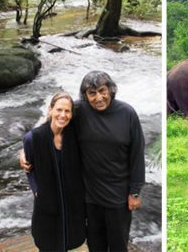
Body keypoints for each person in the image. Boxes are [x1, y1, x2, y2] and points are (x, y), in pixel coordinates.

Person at [21, 71, 145, 252]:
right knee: (95, 245)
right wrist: (26, 147)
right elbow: (53, 122)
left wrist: (135, 191)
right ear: (85, 96)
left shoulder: (127, 114)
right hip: (89, 197)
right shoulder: (79, 111)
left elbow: (137, 153)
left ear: (110, 89)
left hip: (118, 196)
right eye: (92, 93)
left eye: (102, 91)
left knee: (118, 245)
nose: (98, 98)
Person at [22, 92, 86, 252]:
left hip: (72, 203)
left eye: (67, 111)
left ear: (72, 114)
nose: (62, 115)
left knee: (70, 241)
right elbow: (29, 169)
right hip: (47, 204)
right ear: (50, 110)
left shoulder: (76, 135)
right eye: (59, 110)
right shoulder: (33, 138)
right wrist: (36, 190)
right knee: (47, 243)